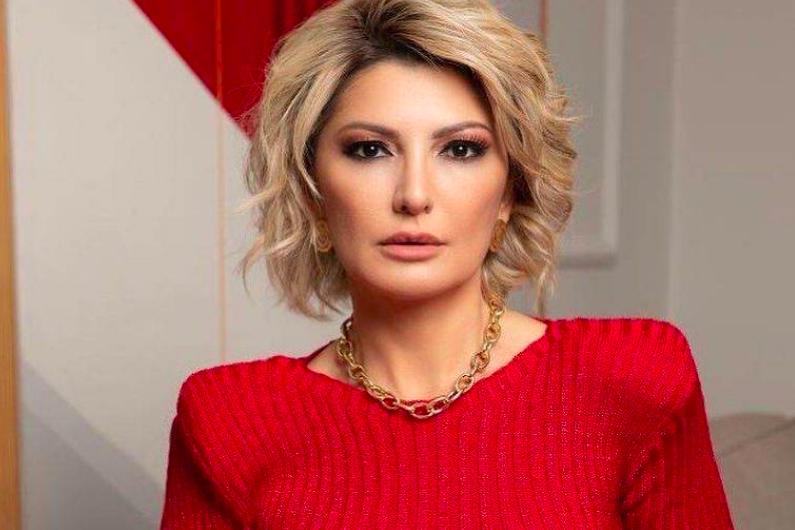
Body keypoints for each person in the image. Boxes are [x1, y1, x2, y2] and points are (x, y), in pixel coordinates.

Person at [160, 0, 735, 528]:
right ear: (313, 194)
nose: (414, 194)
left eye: (460, 149)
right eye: (369, 149)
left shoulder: (636, 377)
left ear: (510, 191)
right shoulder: (229, 419)